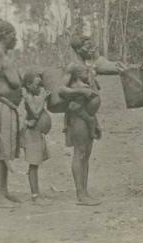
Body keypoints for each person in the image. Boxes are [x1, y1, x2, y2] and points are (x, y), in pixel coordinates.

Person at [60, 35, 125, 206]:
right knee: (80, 152)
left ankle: (85, 192)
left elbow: (106, 66)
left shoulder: (88, 66)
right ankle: (80, 194)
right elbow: (62, 89)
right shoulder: (73, 66)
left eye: (91, 46)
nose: (90, 49)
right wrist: (81, 92)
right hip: (78, 114)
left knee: (86, 154)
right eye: (87, 46)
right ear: (78, 48)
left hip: (89, 116)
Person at [0, 20, 23, 208]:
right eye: (13, 35)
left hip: (9, 107)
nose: (16, 38)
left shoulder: (7, 55)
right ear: (4, 35)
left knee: (6, 149)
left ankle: (5, 191)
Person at [21, 71, 51, 205]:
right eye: (37, 85)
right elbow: (36, 112)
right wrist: (43, 97)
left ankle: (36, 194)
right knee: (33, 164)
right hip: (31, 135)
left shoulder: (32, 94)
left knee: (36, 164)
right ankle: (35, 196)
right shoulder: (26, 95)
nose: (40, 88)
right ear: (28, 85)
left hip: (37, 134)